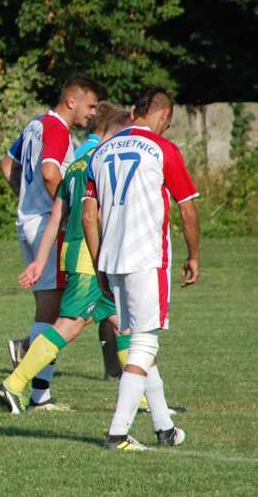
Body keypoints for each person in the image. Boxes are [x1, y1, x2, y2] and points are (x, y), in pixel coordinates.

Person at [0, 108, 131, 414]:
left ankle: (147, 401)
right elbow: (91, 215)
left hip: (76, 255)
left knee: (123, 328)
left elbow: (58, 214)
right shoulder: (101, 163)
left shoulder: (77, 163)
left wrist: (39, 262)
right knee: (67, 326)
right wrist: (101, 264)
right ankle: (14, 385)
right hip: (90, 260)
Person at [83, 87, 198, 450]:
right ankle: (118, 433)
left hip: (112, 257)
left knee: (140, 343)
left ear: (134, 112)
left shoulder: (100, 152)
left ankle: (165, 429)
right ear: (163, 117)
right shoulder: (164, 149)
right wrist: (194, 255)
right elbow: (187, 208)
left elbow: (89, 213)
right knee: (144, 344)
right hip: (147, 258)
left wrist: (99, 261)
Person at [0, 74, 102, 410]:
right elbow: (49, 172)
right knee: (55, 310)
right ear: (72, 101)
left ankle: (33, 372)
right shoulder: (56, 128)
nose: (92, 113)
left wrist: (25, 201)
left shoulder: (34, 126)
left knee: (49, 306)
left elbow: (6, 165)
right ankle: (39, 394)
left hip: (29, 221)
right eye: (90, 105)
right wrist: (66, 209)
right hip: (47, 225)